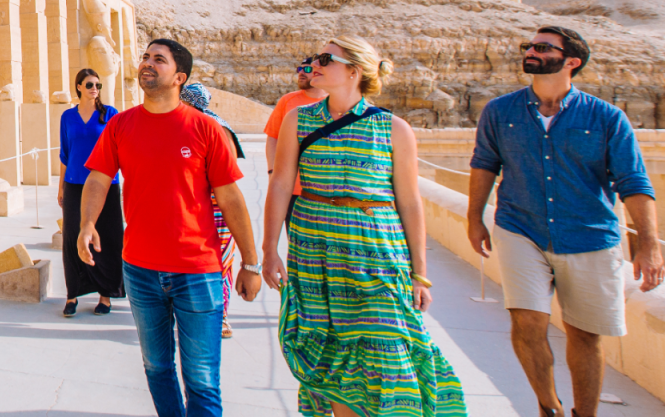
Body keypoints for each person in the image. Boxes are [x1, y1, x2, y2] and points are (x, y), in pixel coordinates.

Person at [466, 26, 665, 417]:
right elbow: (484, 165)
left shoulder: (607, 117)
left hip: (589, 234)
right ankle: (548, 407)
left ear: (571, 61)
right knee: (525, 321)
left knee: (585, 335)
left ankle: (584, 413)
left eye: (542, 48)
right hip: (520, 227)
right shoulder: (500, 111)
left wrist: (650, 243)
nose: (531, 52)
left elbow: (633, 182)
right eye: (529, 47)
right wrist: (475, 217)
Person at [263, 36, 466, 417]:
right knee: (328, 348)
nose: (315, 64)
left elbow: (409, 201)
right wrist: (269, 250)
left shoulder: (393, 128)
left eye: (326, 58)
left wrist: (420, 275)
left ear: (354, 71)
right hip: (313, 250)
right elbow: (280, 184)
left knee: (384, 343)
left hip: (375, 252)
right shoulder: (298, 119)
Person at [79, 39, 262, 417]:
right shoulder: (121, 125)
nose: (147, 63)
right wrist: (87, 225)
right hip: (141, 270)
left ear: (179, 77)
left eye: (158, 59)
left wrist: (250, 262)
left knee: (201, 378)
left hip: (197, 270)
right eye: (146, 56)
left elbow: (230, 199)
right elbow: (98, 179)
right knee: (157, 368)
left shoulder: (205, 129)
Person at [180, 83, 246, 340]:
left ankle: (216, 317)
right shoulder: (222, 125)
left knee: (203, 263)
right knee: (221, 264)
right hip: (218, 205)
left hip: (204, 204)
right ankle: (219, 315)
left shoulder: (195, 125)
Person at [57, 68, 123, 317]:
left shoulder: (111, 115)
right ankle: (72, 294)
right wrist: (61, 186)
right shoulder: (67, 117)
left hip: (106, 184)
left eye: (98, 84)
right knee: (72, 237)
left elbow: (119, 150)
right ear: (78, 88)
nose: (94, 88)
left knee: (107, 236)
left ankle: (105, 296)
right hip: (75, 183)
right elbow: (65, 153)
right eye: (89, 84)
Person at [264, 56, 325, 196]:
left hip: (324, 189)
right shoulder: (287, 101)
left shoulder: (333, 103)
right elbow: (273, 137)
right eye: (300, 69)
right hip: (290, 187)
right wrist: (272, 171)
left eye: (307, 69)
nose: (301, 73)